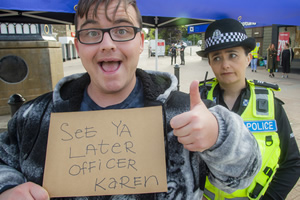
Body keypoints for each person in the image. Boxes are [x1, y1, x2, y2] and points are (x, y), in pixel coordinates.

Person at [0, 1, 262, 199]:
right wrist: (7, 186)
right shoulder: (34, 117)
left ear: (140, 41)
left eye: (122, 30)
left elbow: (242, 177)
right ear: (77, 45)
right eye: (92, 33)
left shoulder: (187, 114)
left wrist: (220, 136)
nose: (107, 44)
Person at [197, 18, 300, 200]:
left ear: (249, 58)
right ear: (211, 64)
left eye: (233, 55)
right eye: (217, 58)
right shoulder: (198, 103)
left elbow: (292, 163)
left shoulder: (270, 105)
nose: (225, 64)